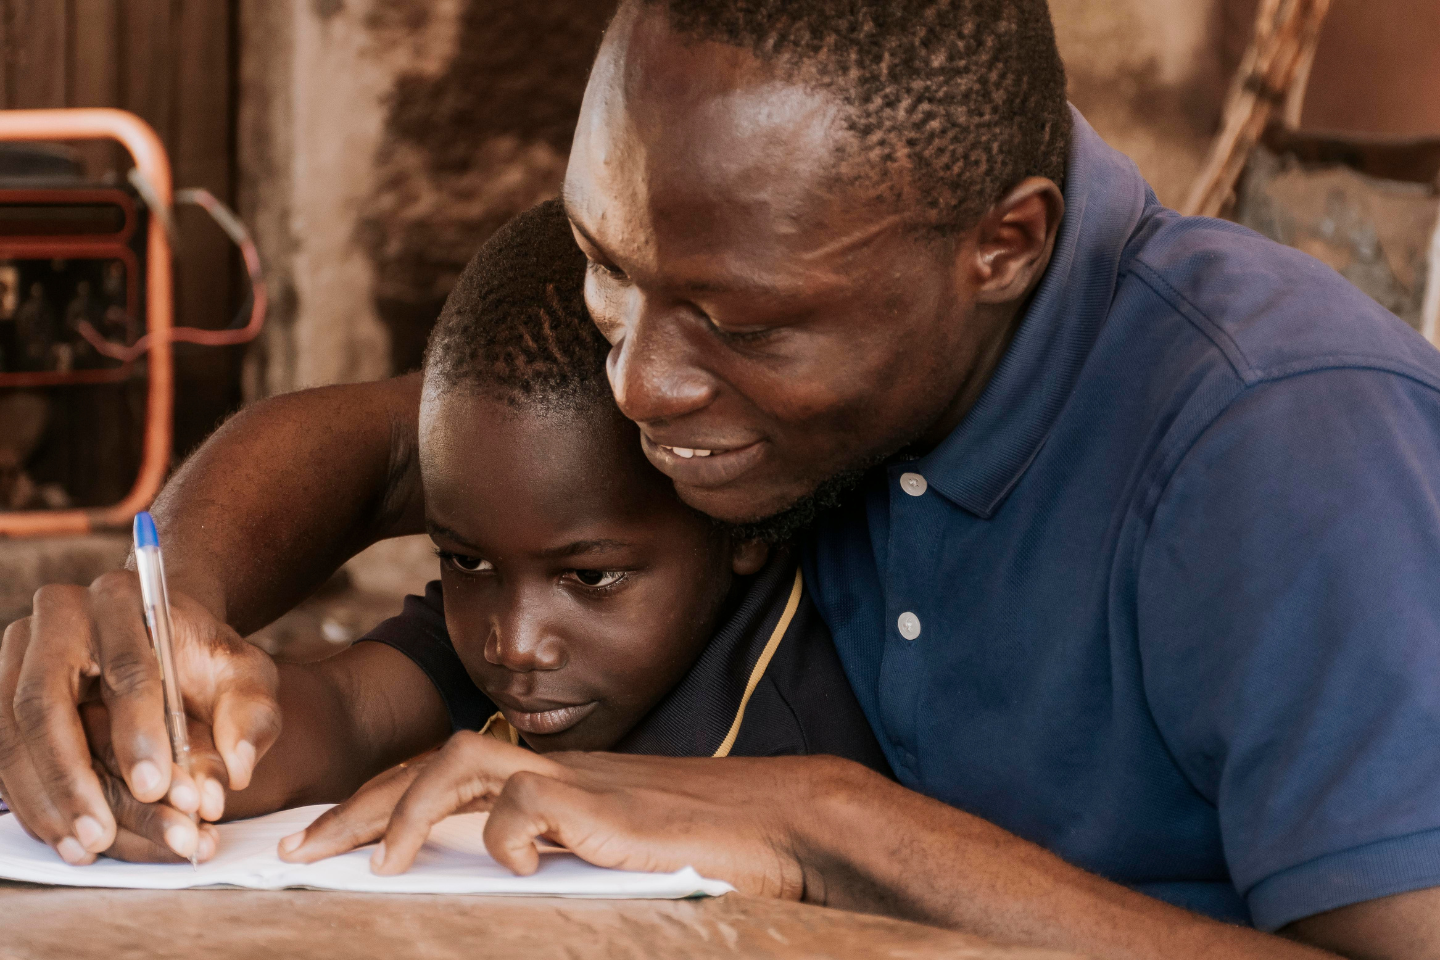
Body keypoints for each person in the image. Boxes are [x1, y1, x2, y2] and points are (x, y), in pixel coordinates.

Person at [4, 0, 1440, 956]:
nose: (640, 385)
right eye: (604, 268)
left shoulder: (1275, 443)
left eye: (744, 326)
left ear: (1001, 247)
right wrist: (165, 618)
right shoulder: (767, 336)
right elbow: (400, 441)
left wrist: (822, 823)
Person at [64, 198, 890, 863]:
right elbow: (340, 714)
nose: (515, 643)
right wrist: (188, 760)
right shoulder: (518, 630)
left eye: (591, 577)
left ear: (738, 516)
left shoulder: (805, 708)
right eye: (463, 559)